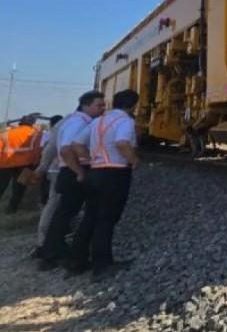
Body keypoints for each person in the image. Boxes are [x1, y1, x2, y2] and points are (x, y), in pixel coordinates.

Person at [69, 90, 140, 280]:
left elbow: (76, 143)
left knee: (90, 217)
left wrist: (88, 159)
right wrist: (133, 160)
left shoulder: (97, 121)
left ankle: (77, 262)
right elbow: (122, 142)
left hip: (95, 172)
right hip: (115, 174)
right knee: (106, 220)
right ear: (132, 105)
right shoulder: (125, 121)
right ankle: (102, 266)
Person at [38, 91, 106, 269]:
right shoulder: (78, 123)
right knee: (65, 212)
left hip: (69, 171)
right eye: (99, 105)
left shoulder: (76, 121)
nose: (103, 109)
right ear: (85, 105)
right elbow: (66, 150)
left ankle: (52, 250)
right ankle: (51, 254)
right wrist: (80, 172)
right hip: (72, 172)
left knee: (65, 212)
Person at [21, 114, 63, 256]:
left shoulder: (48, 133)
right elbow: (46, 150)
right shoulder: (40, 133)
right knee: (53, 203)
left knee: (49, 202)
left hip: (43, 167)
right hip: (54, 168)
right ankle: (45, 243)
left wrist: (40, 168)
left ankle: (44, 241)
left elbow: (43, 150)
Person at [0, 114, 42, 214]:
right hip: (25, 164)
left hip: (5, 163)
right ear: (32, 123)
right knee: (19, 188)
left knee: (1, 186)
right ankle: (12, 209)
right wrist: (36, 163)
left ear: (20, 123)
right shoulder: (36, 134)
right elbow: (37, 150)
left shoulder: (6, 133)